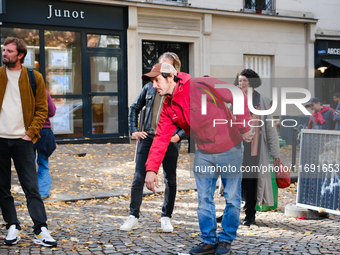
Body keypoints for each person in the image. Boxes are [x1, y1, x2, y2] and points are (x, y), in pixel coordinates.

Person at [142, 62, 254, 255]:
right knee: (203, 199)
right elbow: (161, 138)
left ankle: (226, 240)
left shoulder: (201, 84)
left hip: (230, 148)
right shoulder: (168, 106)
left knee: (232, 198)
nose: (154, 86)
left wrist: (244, 127)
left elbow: (237, 95)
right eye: (152, 82)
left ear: (170, 77)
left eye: (156, 80)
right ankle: (209, 240)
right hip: (203, 152)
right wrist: (151, 170)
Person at [120, 52, 188, 232]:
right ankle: (133, 216)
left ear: (174, 71)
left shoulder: (182, 91)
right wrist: (134, 130)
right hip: (149, 139)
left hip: (170, 140)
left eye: (166, 67)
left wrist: (179, 135)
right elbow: (134, 107)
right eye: (159, 66)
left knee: (170, 180)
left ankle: (166, 217)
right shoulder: (149, 87)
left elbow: (190, 116)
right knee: (138, 178)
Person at [0, 37, 57, 247]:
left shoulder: (34, 77)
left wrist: (30, 134)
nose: (4, 53)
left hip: (23, 141)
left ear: (20, 55)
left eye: (9, 51)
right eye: (4, 50)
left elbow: (43, 109)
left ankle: (40, 228)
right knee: (2, 187)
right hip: (0, 140)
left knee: (31, 187)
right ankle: (11, 226)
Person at [236, 69, 280, 226]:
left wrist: (276, 155)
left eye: (244, 81)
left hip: (254, 150)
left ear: (252, 82)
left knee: (251, 182)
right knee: (233, 182)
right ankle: (230, 213)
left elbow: (270, 129)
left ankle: (250, 215)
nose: (241, 84)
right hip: (235, 148)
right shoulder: (233, 100)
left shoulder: (263, 101)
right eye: (239, 80)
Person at [33, 90, 57, 199]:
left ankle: (31, 191)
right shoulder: (44, 92)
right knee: (43, 163)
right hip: (44, 131)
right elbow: (52, 112)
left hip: (26, 132)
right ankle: (43, 192)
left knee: (27, 165)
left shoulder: (21, 91)